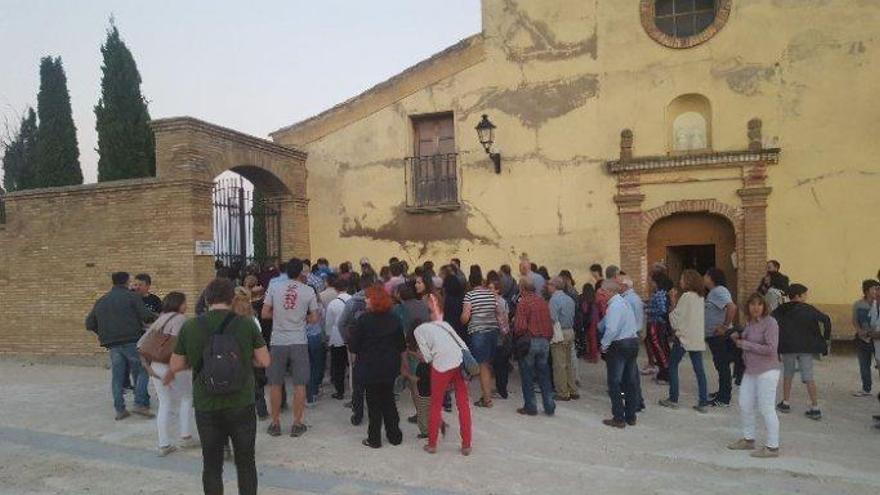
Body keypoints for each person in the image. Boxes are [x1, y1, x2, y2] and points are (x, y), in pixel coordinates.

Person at [166, 277, 270, 495]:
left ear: (206, 299)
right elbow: (265, 361)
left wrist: (198, 360)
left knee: (212, 465)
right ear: (232, 298)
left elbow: (175, 365)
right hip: (241, 402)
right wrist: (243, 360)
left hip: (207, 404)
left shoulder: (191, 325)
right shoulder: (246, 323)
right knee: (246, 463)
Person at [86, 272, 157, 420]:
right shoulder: (132, 297)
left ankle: (120, 409)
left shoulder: (102, 300)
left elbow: (89, 323)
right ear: (126, 281)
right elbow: (146, 316)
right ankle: (139, 404)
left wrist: (103, 333)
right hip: (131, 340)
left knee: (117, 376)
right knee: (143, 369)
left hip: (112, 344)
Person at [261, 258, 319, 438]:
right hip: (299, 340)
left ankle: (275, 422)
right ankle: (297, 423)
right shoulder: (308, 291)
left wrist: (280, 315)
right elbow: (314, 318)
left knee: (275, 383)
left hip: (278, 340)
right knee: (299, 383)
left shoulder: (275, 287)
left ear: (286, 271)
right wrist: (301, 318)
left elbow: (265, 313)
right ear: (301, 272)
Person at [137, 292, 195, 456]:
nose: (186, 305)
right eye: (184, 302)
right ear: (179, 304)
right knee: (186, 397)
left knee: (164, 403)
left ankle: (164, 443)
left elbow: (140, 344)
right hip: (174, 366)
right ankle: (185, 436)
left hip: (155, 365)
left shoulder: (160, 319)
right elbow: (178, 347)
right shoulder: (180, 320)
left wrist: (147, 367)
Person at [349, 287, 407, 448]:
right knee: (389, 400)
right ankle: (395, 435)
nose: (365, 300)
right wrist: (403, 366)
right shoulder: (395, 319)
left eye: (367, 298)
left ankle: (374, 438)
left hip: (370, 367)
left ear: (374, 300)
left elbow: (354, 346)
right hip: (389, 366)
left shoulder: (363, 320)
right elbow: (401, 345)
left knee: (373, 403)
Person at [728, 293, 781, 458]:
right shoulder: (749, 323)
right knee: (745, 403)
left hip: (767, 371)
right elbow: (747, 338)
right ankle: (748, 439)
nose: (756, 307)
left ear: (764, 306)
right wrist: (738, 336)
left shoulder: (771, 323)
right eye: (752, 304)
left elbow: (771, 349)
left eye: (759, 304)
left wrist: (745, 344)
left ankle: (773, 447)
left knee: (766, 408)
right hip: (750, 370)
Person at [414, 307, 473, 456]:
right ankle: (466, 445)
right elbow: (462, 345)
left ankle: (432, 444)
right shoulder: (444, 324)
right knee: (463, 404)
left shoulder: (418, 331)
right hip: (459, 363)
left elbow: (427, 358)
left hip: (440, 366)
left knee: (435, 404)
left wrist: (418, 355)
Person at [773, 283, 832, 420]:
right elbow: (826, 319)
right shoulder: (809, 309)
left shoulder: (782, 309)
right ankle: (815, 407)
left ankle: (786, 402)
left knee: (788, 374)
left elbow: (771, 322)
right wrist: (826, 338)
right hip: (806, 347)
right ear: (799, 296)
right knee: (808, 376)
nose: (806, 297)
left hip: (788, 346)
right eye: (805, 294)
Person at [659, 269, 710, 412]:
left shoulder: (686, 296)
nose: (680, 281)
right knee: (699, 370)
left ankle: (673, 398)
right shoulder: (700, 297)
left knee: (673, 366)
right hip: (696, 337)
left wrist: (673, 301)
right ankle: (703, 401)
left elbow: (676, 318)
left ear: (688, 281)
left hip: (683, 338)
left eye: (682, 279)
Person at [599, 280, 640, 428]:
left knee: (614, 382)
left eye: (603, 291)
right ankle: (631, 415)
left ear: (610, 291)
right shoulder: (625, 303)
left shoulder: (614, 306)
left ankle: (618, 417)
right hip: (632, 341)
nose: (601, 294)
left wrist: (604, 345)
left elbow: (611, 329)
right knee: (630, 381)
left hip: (619, 344)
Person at [513, 276, 556, 417]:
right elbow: (550, 323)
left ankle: (531, 406)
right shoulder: (542, 301)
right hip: (544, 341)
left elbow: (520, 327)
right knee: (544, 375)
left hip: (530, 341)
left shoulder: (523, 303)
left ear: (522, 289)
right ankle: (549, 406)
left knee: (527, 376)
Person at [339, 272, 376, 425]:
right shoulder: (379, 299)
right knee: (374, 379)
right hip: (376, 345)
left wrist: (347, 341)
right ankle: (374, 410)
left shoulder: (352, 302)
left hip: (356, 345)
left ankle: (357, 411)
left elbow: (341, 323)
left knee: (357, 379)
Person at [461, 269, 501, 408]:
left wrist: (461, 320)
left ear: (470, 282)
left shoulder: (469, 295)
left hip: (478, 332)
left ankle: (487, 400)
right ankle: (486, 395)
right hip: (493, 331)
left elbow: (466, 317)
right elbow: (497, 311)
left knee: (482, 366)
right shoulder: (491, 294)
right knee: (487, 365)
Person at [704, 267, 738, 407]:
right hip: (714, 336)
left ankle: (724, 398)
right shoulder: (713, 292)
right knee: (720, 365)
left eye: (705, 275)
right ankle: (721, 392)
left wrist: (724, 326)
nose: (704, 277)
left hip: (720, 336)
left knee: (722, 366)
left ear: (712, 277)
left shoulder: (719, 290)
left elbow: (732, 307)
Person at [548, 277, 578, 401]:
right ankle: (572, 389)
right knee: (568, 362)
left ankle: (562, 392)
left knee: (559, 364)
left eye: (549, 284)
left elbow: (552, 318)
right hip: (570, 330)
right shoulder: (569, 298)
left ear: (554, 286)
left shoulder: (554, 300)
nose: (547, 286)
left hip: (559, 332)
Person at [325, 276, 352, 400]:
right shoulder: (353, 300)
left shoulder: (333, 304)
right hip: (352, 336)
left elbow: (328, 323)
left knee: (338, 366)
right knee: (352, 364)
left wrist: (328, 337)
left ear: (336, 289)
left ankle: (340, 391)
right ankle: (354, 389)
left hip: (337, 338)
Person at [852, 279, 879, 397]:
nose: (877, 291)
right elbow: (854, 320)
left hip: (877, 339)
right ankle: (866, 388)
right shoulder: (858, 304)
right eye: (875, 288)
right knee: (864, 365)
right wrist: (859, 331)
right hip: (862, 339)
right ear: (867, 290)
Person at [645, 272, 673, 382]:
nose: (650, 283)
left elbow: (662, 310)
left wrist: (648, 310)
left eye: (651, 281)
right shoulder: (658, 293)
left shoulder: (660, 294)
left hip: (656, 323)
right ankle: (663, 371)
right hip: (655, 323)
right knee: (658, 347)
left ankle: (666, 372)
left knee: (658, 347)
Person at [579, 283, 600, 362]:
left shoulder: (584, 299)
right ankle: (594, 355)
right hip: (595, 319)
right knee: (593, 338)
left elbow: (584, 310)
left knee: (589, 339)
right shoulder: (595, 297)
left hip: (588, 320)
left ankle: (591, 355)